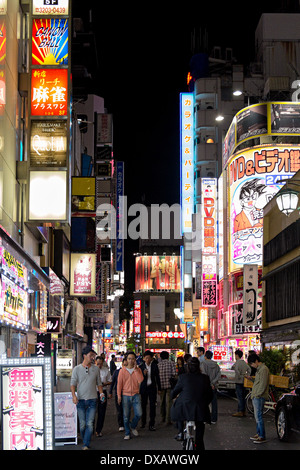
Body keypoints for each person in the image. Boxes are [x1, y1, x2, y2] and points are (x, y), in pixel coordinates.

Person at [171, 357, 213, 450]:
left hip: (184, 407)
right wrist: (204, 403)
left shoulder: (183, 377)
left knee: (179, 411)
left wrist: (172, 397)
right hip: (200, 409)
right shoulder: (205, 378)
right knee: (199, 434)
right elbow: (210, 395)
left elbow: (175, 392)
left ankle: (180, 432)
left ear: (188, 367)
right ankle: (199, 444)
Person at [70, 346, 105, 450]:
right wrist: (73, 396)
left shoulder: (96, 369)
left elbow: (99, 383)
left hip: (93, 400)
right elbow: (72, 384)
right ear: (84, 356)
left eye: (93, 355)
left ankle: (86, 444)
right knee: (82, 424)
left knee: (90, 423)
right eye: (91, 355)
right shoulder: (77, 369)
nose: (93, 357)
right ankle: (86, 438)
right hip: (80, 400)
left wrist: (102, 394)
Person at [117, 351, 144, 440]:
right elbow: (119, 384)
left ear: (135, 360)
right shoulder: (122, 371)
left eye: (133, 358)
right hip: (125, 395)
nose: (131, 360)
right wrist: (119, 396)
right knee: (126, 416)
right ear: (126, 360)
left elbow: (140, 380)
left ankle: (133, 426)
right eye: (129, 358)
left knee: (139, 413)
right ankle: (127, 433)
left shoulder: (138, 369)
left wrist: (136, 369)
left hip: (136, 394)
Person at [246, 353, 269, 443]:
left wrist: (257, 394)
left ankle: (262, 436)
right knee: (257, 416)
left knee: (258, 416)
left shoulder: (263, 369)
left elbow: (263, 384)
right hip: (257, 395)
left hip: (259, 396)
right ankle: (259, 433)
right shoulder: (260, 369)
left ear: (256, 361)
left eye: (252, 364)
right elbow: (258, 382)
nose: (252, 366)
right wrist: (251, 379)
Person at [139, 350, 161, 431]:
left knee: (152, 406)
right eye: (146, 358)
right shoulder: (141, 367)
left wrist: (159, 388)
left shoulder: (155, 366)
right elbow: (139, 379)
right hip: (144, 388)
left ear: (152, 358)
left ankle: (152, 423)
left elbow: (157, 378)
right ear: (144, 358)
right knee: (143, 406)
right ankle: (143, 422)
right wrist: (143, 374)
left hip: (152, 388)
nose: (147, 359)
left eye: (149, 358)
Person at [200, 350, 221, 424]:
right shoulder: (216, 365)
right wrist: (213, 383)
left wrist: (209, 383)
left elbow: (204, 375)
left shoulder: (203, 364)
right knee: (214, 403)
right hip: (214, 386)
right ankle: (214, 419)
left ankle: (206, 418)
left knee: (205, 402)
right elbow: (219, 375)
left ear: (205, 356)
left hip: (206, 386)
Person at [109, 356, 127, 432]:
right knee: (119, 409)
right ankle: (121, 425)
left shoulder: (130, 372)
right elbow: (113, 382)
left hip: (127, 393)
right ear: (122, 364)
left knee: (126, 409)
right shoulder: (117, 372)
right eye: (125, 365)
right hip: (118, 393)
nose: (126, 366)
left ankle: (126, 424)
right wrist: (110, 392)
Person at [95, 355, 112, 437]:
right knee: (92, 411)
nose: (99, 365)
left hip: (103, 391)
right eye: (98, 363)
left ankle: (99, 430)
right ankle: (91, 430)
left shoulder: (106, 370)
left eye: (101, 364)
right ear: (95, 362)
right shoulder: (92, 370)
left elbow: (110, 380)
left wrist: (104, 383)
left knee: (101, 412)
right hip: (94, 392)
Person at [158, 350, 176, 425]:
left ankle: (163, 417)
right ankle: (168, 419)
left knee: (162, 401)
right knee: (169, 402)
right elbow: (174, 374)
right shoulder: (171, 363)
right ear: (168, 356)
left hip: (161, 385)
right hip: (169, 385)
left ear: (161, 357)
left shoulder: (158, 365)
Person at [231, 349, 251, 417]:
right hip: (244, 381)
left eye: (235, 355)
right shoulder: (244, 362)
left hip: (238, 381)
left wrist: (239, 375)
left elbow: (235, 369)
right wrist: (247, 375)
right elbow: (249, 369)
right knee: (243, 396)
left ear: (237, 355)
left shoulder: (237, 362)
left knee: (239, 397)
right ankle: (243, 411)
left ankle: (240, 411)